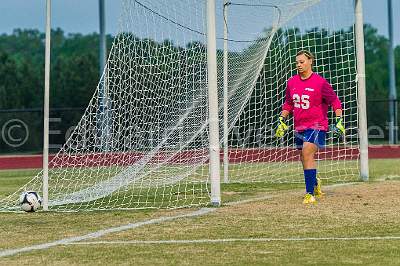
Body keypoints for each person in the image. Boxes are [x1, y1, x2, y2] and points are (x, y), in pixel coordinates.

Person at [275, 50, 345, 204]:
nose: (299, 65)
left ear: (310, 61)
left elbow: (335, 101)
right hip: (299, 126)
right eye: (297, 62)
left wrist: (339, 119)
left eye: (302, 62)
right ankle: (314, 183)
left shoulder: (320, 82)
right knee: (303, 156)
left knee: (307, 152)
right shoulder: (291, 82)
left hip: (317, 125)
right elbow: (289, 103)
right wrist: (281, 119)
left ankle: (309, 194)